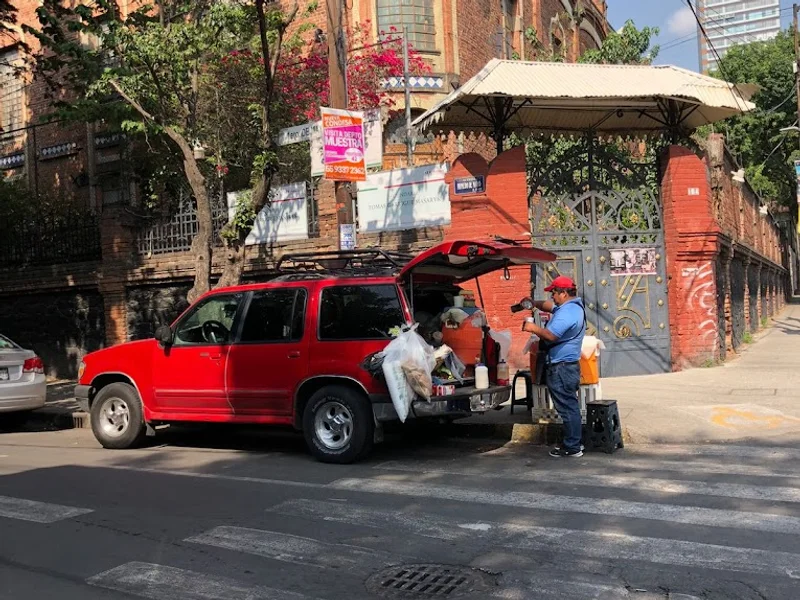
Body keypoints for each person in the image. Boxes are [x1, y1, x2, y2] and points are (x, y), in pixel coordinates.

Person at [521, 275, 586, 458]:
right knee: (569, 405)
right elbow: (550, 307)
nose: (552, 297)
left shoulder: (567, 313)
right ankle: (575, 443)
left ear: (564, 293)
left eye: (554, 293)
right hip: (566, 366)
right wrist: (533, 303)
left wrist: (532, 328)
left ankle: (572, 446)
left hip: (562, 367)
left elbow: (551, 335)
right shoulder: (572, 307)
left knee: (567, 407)